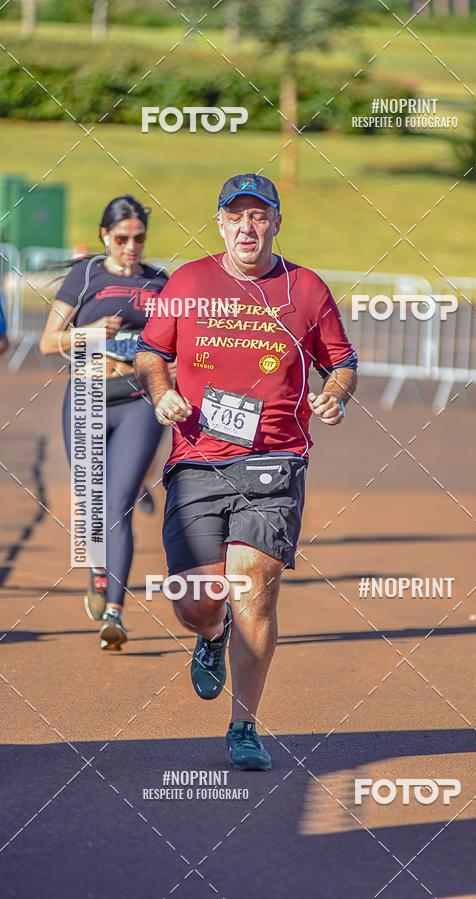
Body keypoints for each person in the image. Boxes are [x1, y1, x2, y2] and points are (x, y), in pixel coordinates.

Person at [135, 173, 358, 770]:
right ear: (220, 223)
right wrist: (161, 394)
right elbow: (151, 353)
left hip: (274, 458)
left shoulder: (305, 288)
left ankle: (244, 726)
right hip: (196, 458)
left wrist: (335, 392)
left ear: (276, 223)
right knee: (198, 602)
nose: (247, 226)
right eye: (236, 216)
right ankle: (210, 637)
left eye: (259, 216)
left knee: (253, 591)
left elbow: (342, 360)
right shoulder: (188, 282)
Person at [40, 195, 168, 650]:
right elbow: (48, 342)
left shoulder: (159, 283)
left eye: (138, 238)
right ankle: (97, 570)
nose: (130, 247)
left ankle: (114, 612)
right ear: (104, 236)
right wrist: (93, 333)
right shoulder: (87, 275)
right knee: (93, 502)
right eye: (121, 238)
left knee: (118, 506)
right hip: (89, 395)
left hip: (137, 399)